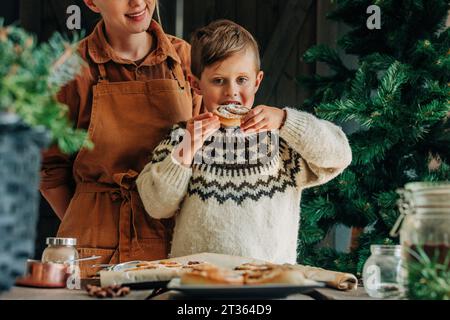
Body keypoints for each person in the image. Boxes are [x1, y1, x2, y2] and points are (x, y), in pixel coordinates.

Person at [136, 20, 352, 264]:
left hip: (269, 283)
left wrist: (285, 120)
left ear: (257, 81)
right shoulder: (181, 138)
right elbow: (156, 206)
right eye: (219, 80)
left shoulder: (279, 142)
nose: (232, 92)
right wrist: (185, 150)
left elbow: (339, 155)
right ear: (196, 84)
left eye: (242, 79)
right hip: (199, 285)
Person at [39, 0, 201, 277]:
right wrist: (88, 218)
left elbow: (210, 151)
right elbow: (48, 171)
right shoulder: (71, 70)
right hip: (91, 249)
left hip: (174, 243)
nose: (137, 2)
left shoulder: (185, 59)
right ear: (91, 2)